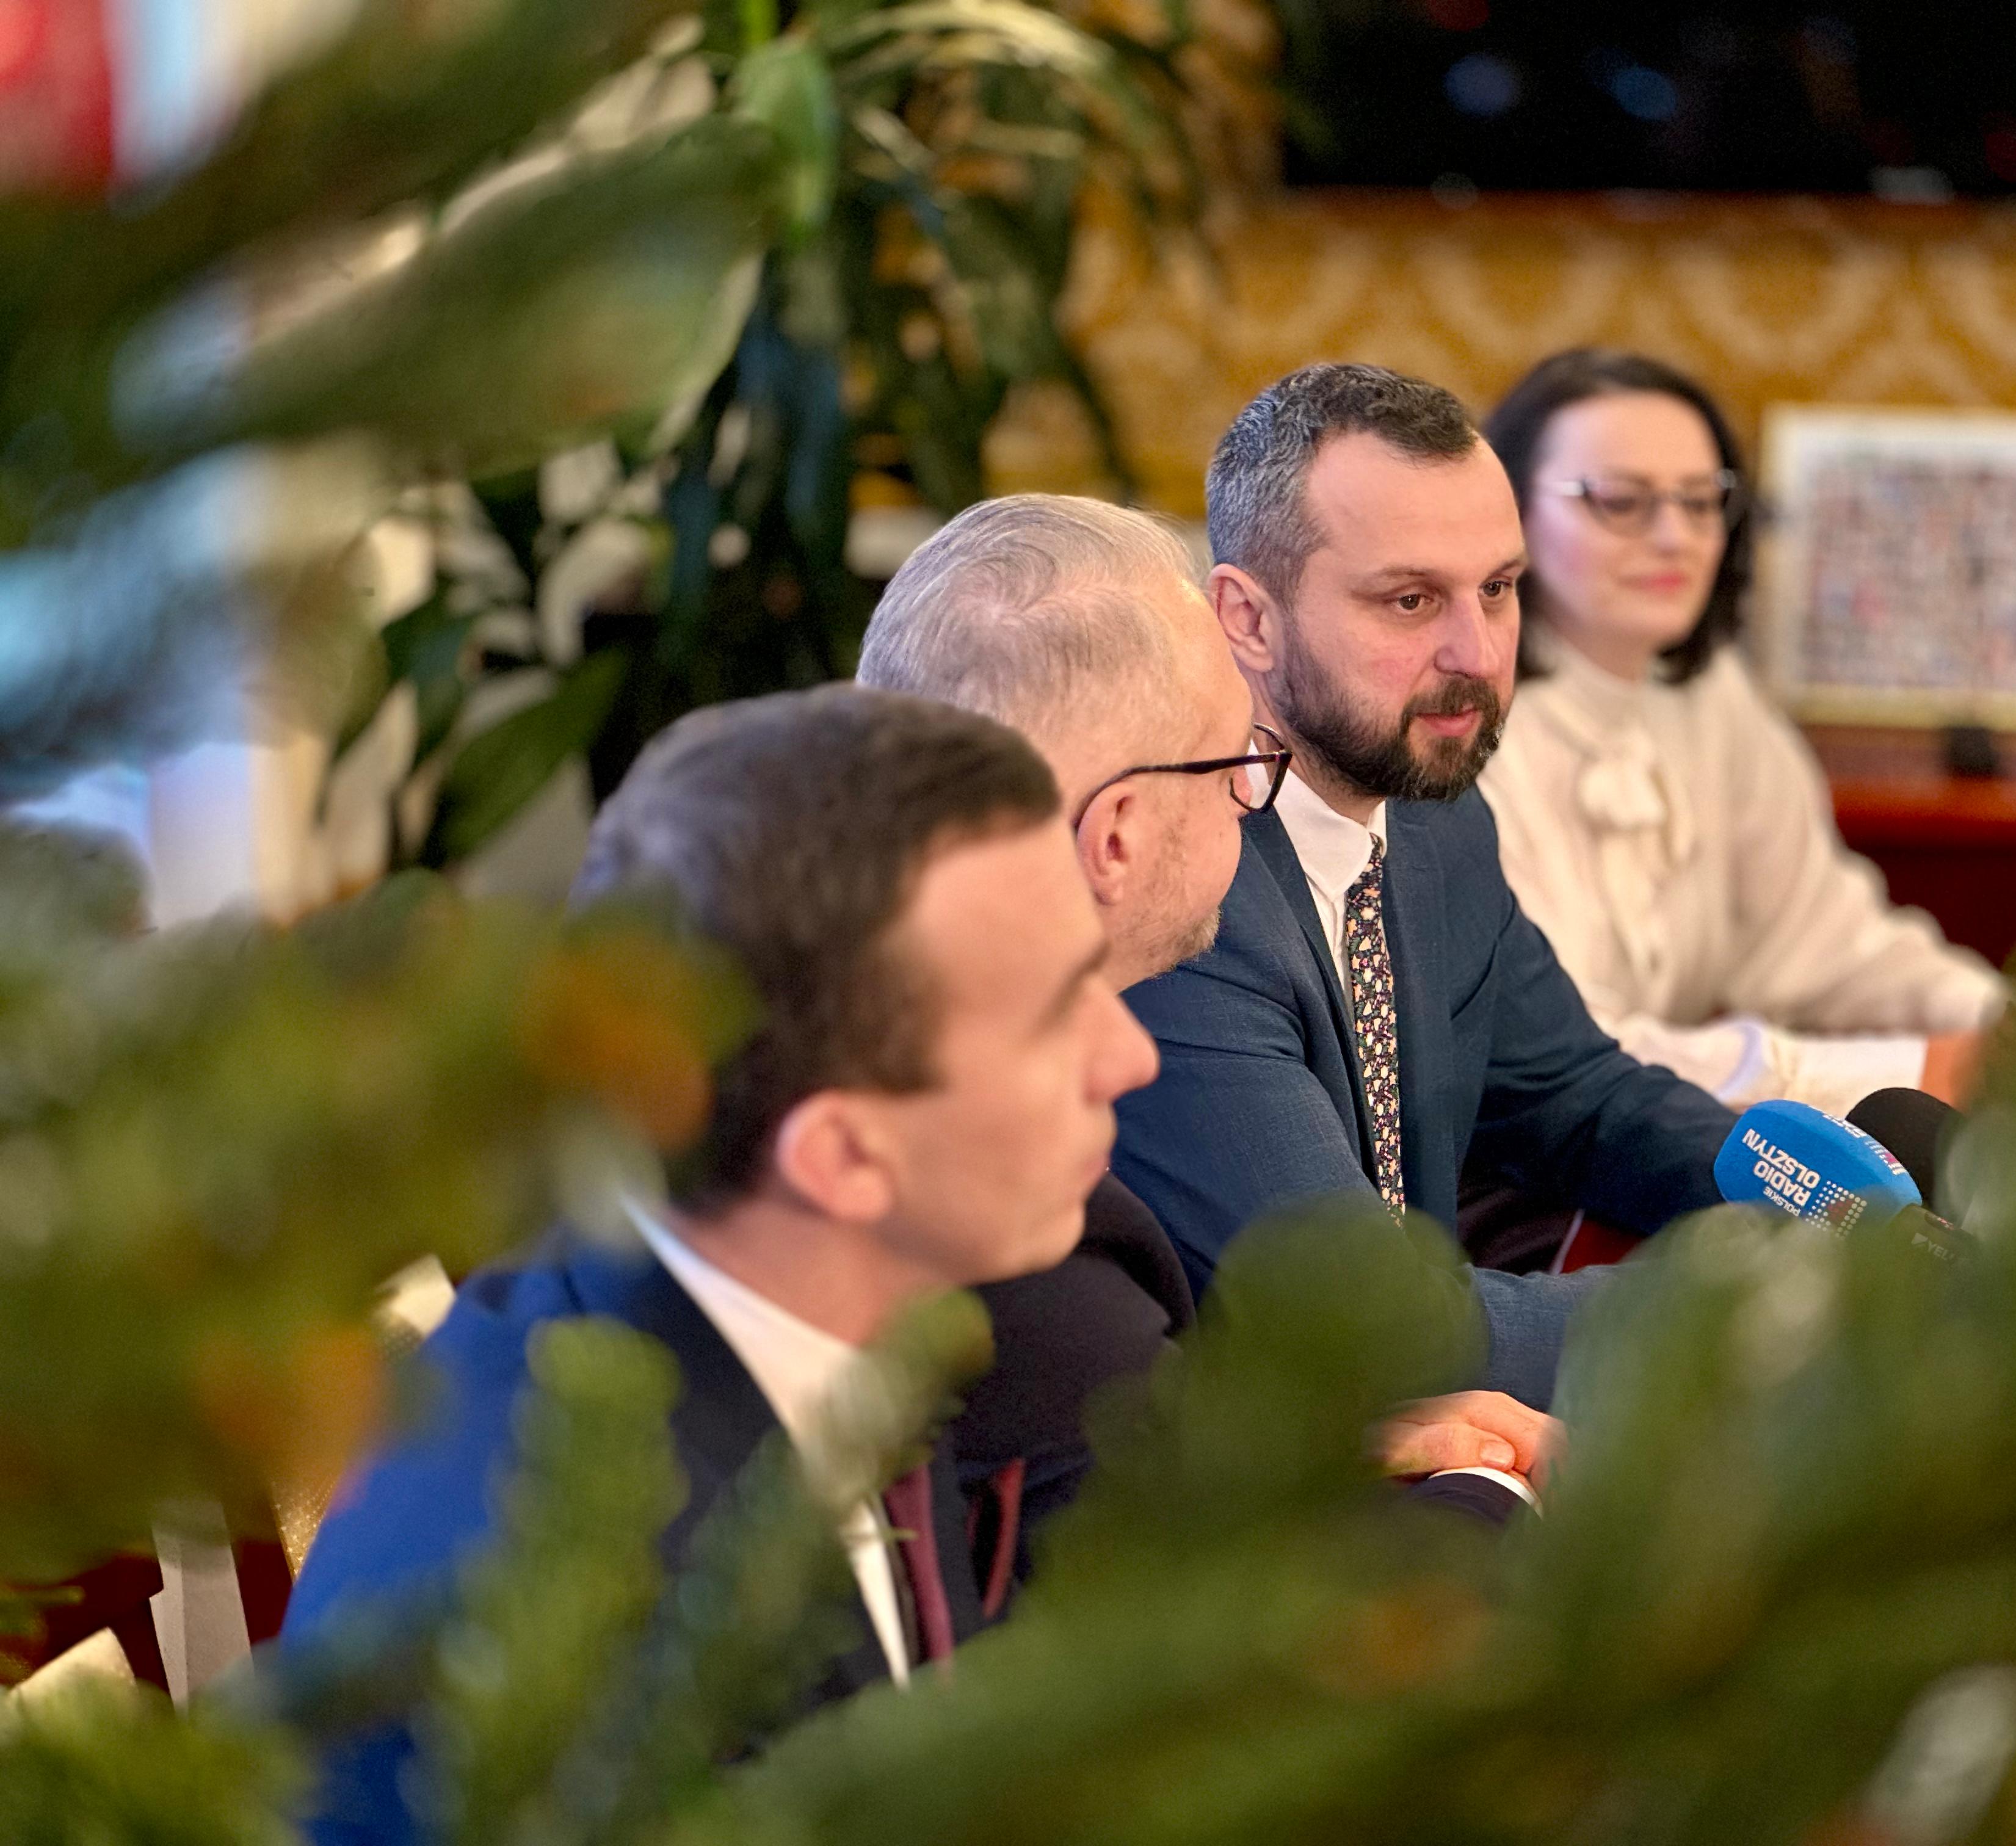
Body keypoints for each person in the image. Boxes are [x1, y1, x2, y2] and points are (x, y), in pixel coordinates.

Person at [282, 687, 1159, 1843]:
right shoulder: (605, 1646)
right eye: (1055, 1015)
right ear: (843, 1157)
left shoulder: (809, 1317)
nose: (1131, 1055)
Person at [858, 491, 1557, 1486]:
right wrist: (1485, 1481)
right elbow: (1119, 1515)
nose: (1251, 794)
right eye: (1238, 760)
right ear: (1116, 836)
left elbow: (1142, 1433)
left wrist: (1333, 1450)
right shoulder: (1014, 1214)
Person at [1106, 363, 1740, 1409]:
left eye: (1497, 588)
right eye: (1410, 601)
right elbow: (1376, 1328)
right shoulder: (1180, 896)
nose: (1476, 653)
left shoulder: (1433, 814)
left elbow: (1580, 1099)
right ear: (1247, 619)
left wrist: (1829, 1207)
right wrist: (1751, 1307)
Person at [1479, 351, 2002, 1119]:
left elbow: (1825, 942)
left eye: (1701, 502)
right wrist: (1907, 1069)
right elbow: (1562, 1053)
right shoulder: (1465, 731)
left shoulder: (1709, 693)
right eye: (1621, 501)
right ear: (1509, 512)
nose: (1675, 537)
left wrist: (2002, 1020)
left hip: (1658, 1129)